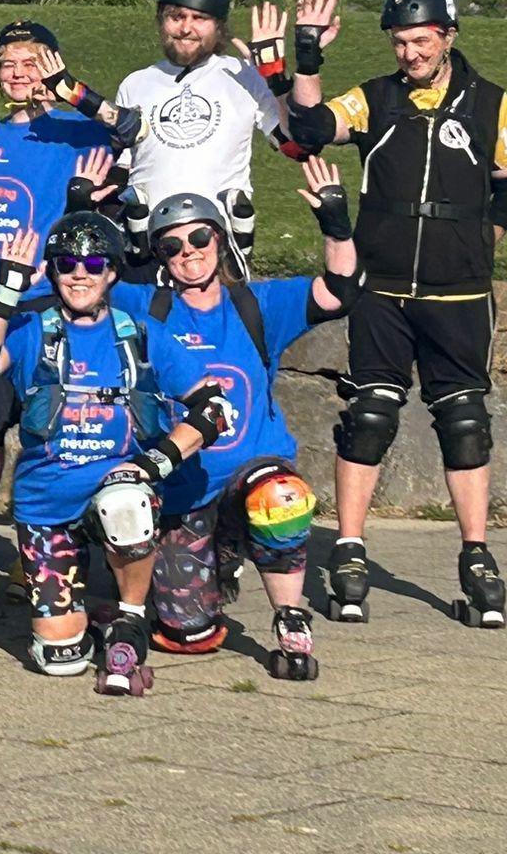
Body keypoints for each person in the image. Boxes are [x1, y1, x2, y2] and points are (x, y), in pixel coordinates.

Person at [286, 0, 507, 629]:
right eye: (400, 42)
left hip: (459, 292)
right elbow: (310, 129)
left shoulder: (489, 104)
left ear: (449, 37)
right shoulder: (376, 97)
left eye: (420, 41)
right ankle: (348, 549)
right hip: (384, 291)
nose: (409, 53)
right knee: (368, 414)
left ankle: (476, 555)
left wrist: (486, 239)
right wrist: (306, 58)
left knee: (464, 421)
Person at [0, 212, 232, 695]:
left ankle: (130, 616)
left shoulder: (140, 335)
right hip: (47, 503)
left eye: (93, 262)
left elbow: (216, 409)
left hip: (119, 492)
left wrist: (151, 463)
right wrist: (6, 293)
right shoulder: (31, 330)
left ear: (113, 272)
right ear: (53, 272)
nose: (80, 274)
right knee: (59, 660)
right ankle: (88, 619)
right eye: (65, 264)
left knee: (125, 501)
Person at [139, 159, 356, 680]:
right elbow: (81, 289)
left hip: (252, 471)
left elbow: (339, 290)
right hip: (182, 489)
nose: (187, 252)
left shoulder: (256, 303)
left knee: (280, 497)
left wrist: (336, 224)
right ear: (159, 258)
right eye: (171, 245)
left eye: (198, 238)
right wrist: (89, 218)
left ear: (219, 239)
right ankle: (215, 557)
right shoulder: (144, 305)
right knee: (188, 636)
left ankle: (290, 618)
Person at [0, 21, 118, 584]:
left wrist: (70, 88)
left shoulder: (82, 131)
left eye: (32, 62)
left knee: (50, 427)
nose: (20, 74)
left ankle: (47, 544)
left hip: (52, 300)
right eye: (9, 64)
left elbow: (131, 129)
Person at [112, 0, 287, 250]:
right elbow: (124, 165)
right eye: (176, 16)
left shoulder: (243, 75)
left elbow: (291, 142)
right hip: (149, 241)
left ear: (219, 26)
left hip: (217, 241)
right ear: (161, 21)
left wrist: (276, 79)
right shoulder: (136, 83)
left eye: (199, 18)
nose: (185, 28)